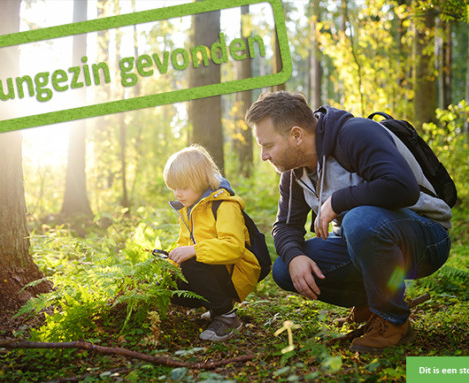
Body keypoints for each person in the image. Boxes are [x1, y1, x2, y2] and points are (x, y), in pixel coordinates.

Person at [244, 91, 452, 353]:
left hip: (426, 235)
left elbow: (403, 187)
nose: (263, 155)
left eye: (268, 145)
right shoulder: (294, 173)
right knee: (285, 268)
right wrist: (295, 255)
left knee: (358, 220)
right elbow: (285, 227)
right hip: (364, 240)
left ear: (296, 135)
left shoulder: (355, 134)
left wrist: (338, 201)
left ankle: (392, 320)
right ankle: (373, 301)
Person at [163, 145, 261, 341]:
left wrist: (193, 251)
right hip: (216, 267)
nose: (177, 194)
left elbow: (233, 248)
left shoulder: (225, 206)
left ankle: (227, 317)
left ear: (200, 181)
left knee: (192, 263)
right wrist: (169, 264)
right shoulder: (188, 209)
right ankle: (217, 308)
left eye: (183, 187)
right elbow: (185, 243)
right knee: (169, 285)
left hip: (237, 270)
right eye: (174, 188)